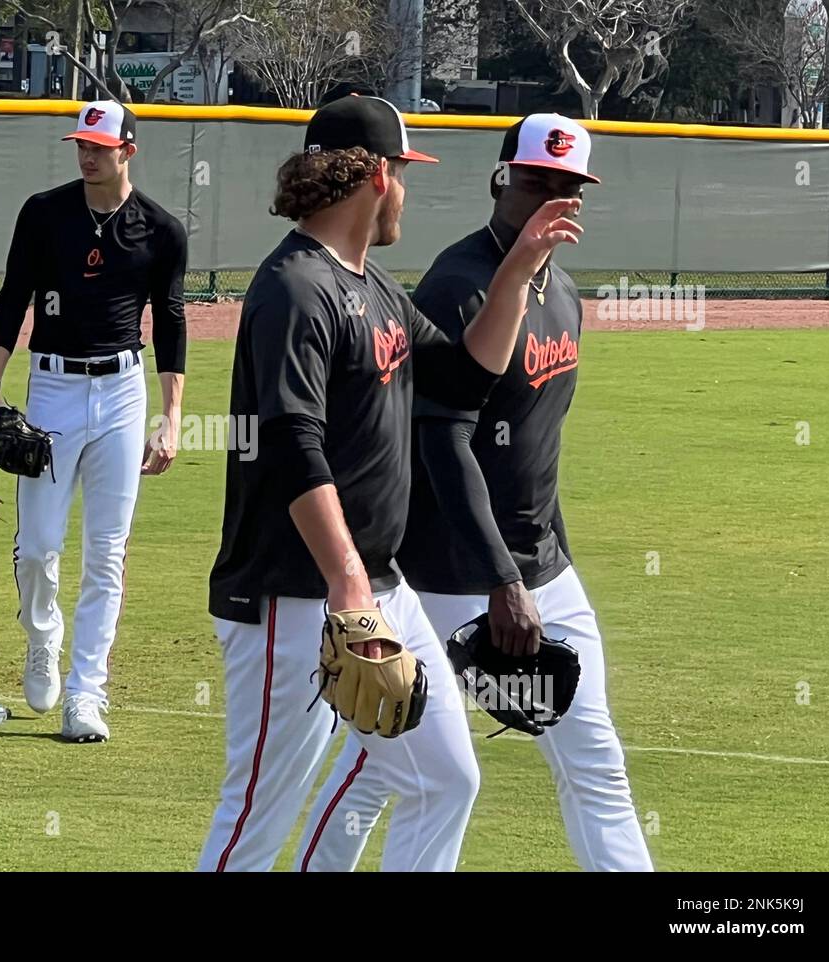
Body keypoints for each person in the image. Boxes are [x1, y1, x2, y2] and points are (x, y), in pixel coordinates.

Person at [198, 95, 584, 871]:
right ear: (376, 175)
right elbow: (290, 444)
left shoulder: (373, 287)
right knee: (257, 820)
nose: (406, 188)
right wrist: (347, 588)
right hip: (295, 594)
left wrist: (517, 267)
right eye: (403, 171)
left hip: (378, 586)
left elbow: (469, 375)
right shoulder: (294, 288)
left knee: (446, 778)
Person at [297, 113, 654, 872]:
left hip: (539, 568)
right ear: (502, 180)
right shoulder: (460, 285)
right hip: (454, 576)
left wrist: (550, 563)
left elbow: (537, 448)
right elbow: (443, 439)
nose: (551, 197)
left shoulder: (561, 292)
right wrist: (503, 579)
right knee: (386, 767)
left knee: (596, 763)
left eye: (568, 186)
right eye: (535, 181)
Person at [0, 100, 188, 743]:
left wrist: (171, 415)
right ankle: (43, 637)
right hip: (52, 388)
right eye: (81, 143)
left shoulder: (160, 228)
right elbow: (12, 297)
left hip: (124, 393)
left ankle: (86, 693)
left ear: (128, 149)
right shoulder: (44, 213)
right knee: (40, 546)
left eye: (99, 145)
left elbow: (172, 321)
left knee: (106, 554)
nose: (87, 153)